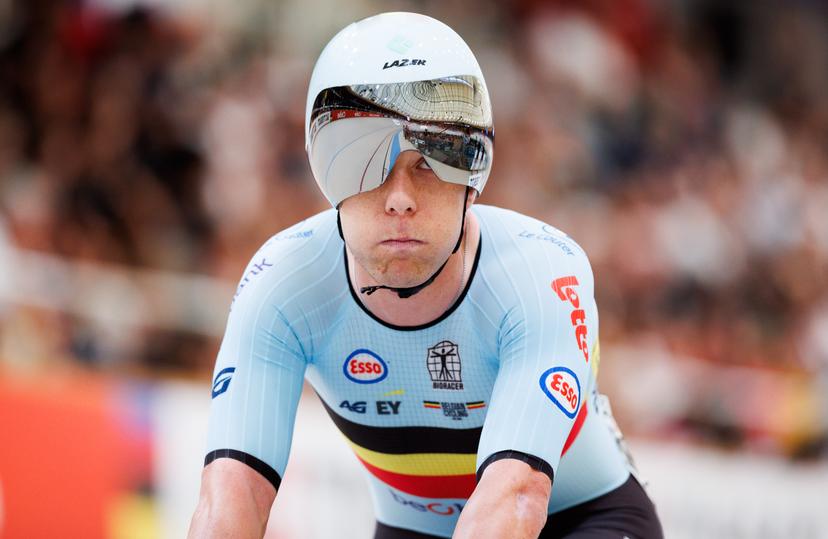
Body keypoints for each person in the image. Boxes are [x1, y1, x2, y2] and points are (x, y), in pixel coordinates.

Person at [189, 11, 663, 539]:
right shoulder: (281, 283)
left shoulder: (541, 273)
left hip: (584, 520)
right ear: (324, 175)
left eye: (430, 164)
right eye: (363, 164)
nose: (399, 200)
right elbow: (231, 496)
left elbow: (517, 497)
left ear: (472, 175)